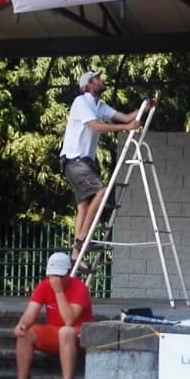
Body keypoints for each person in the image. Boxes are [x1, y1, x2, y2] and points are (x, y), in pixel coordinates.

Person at [60, 69, 154, 262]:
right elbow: (96, 126)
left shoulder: (99, 105)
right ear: (88, 85)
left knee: (84, 206)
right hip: (74, 160)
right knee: (101, 192)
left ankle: (76, 256)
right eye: (97, 78)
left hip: (84, 162)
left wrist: (144, 108)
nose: (101, 80)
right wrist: (126, 128)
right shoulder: (81, 102)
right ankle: (82, 239)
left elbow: (126, 117)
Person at [0, 251, 94, 379]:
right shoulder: (44, 286)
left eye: (60, 275)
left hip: (78, 336)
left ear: (68, 273)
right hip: (55, 333)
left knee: (65, 331)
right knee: (26, 333)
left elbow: (69, 320)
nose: (56, 279)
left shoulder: (79, 288)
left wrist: (58, 291)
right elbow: (30, 313)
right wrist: (22, 324)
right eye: (52, 275)